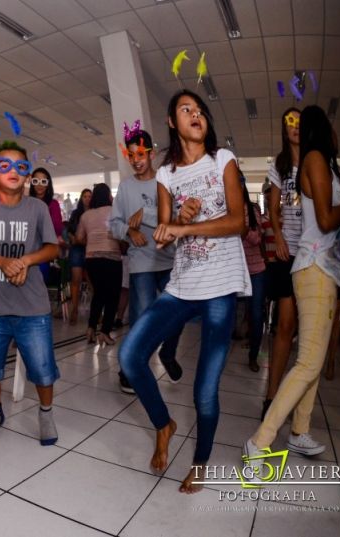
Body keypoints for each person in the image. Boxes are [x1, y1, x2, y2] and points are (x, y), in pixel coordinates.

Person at [118, 90, 250, 494]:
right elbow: (164, 238)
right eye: (185, 110)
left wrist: (184, 225)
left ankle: (201, 461)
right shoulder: (166, 175)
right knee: (130, 356)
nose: (195, 114)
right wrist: (177, 217)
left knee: (204, 390)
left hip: (220, 288)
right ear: (173, 123)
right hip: (181, 285)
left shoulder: (222, 159)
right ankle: (164, 424)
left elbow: (238, 221)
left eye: (199, 109)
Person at [244, 105, 340, 465]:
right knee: (308, 360)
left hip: (324, 268)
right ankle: (260, 442)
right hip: (314, 268)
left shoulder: (322, 163)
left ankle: (299, 432)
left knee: (312, 356)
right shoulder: (314, 159)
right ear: (323, 128)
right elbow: (326, 219)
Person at [0, 140, 61, 446]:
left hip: (33, 307)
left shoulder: (38, 208)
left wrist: (26, 261)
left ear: (27, 175)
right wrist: (2, 262)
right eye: (5, 165)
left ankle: (45, 414)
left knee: (43, 371)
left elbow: (52, 247)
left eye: (21, 166)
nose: (13, 171)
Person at [110, 127, 184, 394]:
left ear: (150, 154)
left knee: (177, 313)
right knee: (141, 320)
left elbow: (177, 219)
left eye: (140, 154)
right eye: (131, 155)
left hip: (167, 260)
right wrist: (129, 231)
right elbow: (114, 223)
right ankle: (128, 369)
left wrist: (149, 212)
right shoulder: (126, 187)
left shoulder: (164, 181)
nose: (136, 160)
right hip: (141, 262)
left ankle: (168, 353)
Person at [263, 107, 302, 419]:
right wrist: (279, 237)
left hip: (313, 253)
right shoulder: (280, 164)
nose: (295, 126)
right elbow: (274, 208)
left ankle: (296, 401)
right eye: (289, 121)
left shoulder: (317, 162)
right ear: (283, 127)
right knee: (285, 326)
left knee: (305, 331)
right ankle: (271, 395)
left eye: (300, 121)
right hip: (287, 252)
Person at [75, 183, 122, 346]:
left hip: (92, 259)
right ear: (109, 196)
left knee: (98, 295)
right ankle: (105, 332)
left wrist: (92, 240)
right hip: (112, 257)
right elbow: (121, 233)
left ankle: (90, 329)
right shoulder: (114, 211)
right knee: (112, 296)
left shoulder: (86, 215)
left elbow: (79, 238)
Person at [240, 176, 266, 373]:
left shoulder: (253, 209)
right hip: (233, 271)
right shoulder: (223, 208)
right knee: (225, 314)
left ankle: (253, 356)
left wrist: (243, 231)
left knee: (256, 315)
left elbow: (257, 238)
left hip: (256, 270)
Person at [29, 167, 63, 283]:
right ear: (32, 183)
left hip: (44, 250)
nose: (39, 184)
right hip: (27, 249)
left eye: (43, 181)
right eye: (35, 181)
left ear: (48, 184)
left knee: (41, 281)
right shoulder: (26, 203)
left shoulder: (53, 204)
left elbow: (58, 227)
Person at [66, 188, 91, 324]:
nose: (87, 198)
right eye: (85, 196)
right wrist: (73, 238)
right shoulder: (76, 213)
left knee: (92, 281)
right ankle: (74, 309)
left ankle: (95, 311)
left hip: (90, 249)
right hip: (76, 248)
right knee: (76, 280)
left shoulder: (95, 212)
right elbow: (69, 230)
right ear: (81, 198)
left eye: (89, 196)